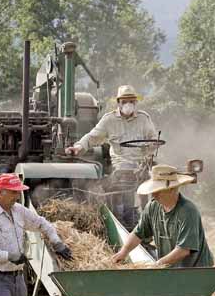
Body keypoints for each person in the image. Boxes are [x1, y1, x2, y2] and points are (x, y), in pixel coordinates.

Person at [111, 164, 214, 296]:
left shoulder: (188, 211)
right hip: (169, 274)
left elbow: (184, 249)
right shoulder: (154, 207)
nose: (154, 195)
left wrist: (157, 264)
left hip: (193, 274)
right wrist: (123, 252)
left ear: (171, 190)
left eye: (157, 191)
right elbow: (139, 233)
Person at [65, 85, 158, 228]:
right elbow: (92, 137)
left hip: (140, 165)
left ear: (135, 103)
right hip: (120, 167)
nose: (128, 104)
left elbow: (153, 139)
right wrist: (78, 147)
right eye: (125, 101)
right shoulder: (109, 120)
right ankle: (123, 220)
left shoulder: (144, 119)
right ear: (118, 102)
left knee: (156, 180)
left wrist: (151, 149)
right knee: (123, 184)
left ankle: (148, 221)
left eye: (131, 101)